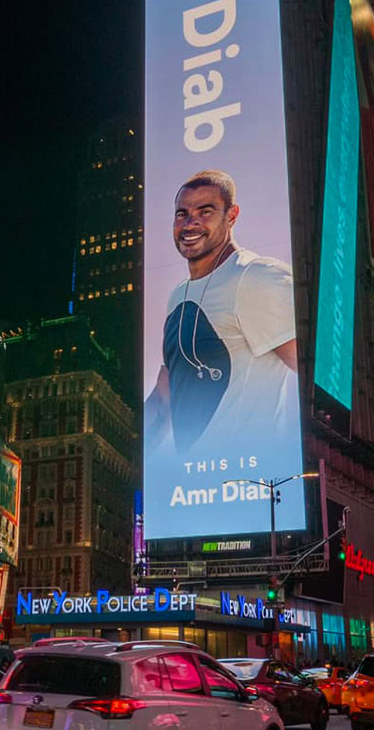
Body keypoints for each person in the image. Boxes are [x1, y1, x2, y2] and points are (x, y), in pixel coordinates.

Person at [145, 172, 300, 517]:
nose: (190, 223)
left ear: (232, 215)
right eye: (182, 214)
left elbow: (312, 372)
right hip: (195, 496)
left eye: (205, 211)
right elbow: (166, 394)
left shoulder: (256, 277)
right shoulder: (177, 297)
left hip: (254, 495)